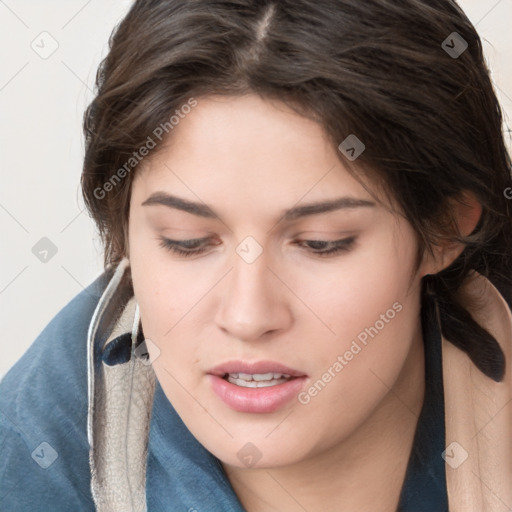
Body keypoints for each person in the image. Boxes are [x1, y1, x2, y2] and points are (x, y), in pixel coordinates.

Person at [1, 1, 511, 511]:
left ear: (445, 229)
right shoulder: (33, 449)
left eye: (320, 243)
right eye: (187, 240)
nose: (248, 317)